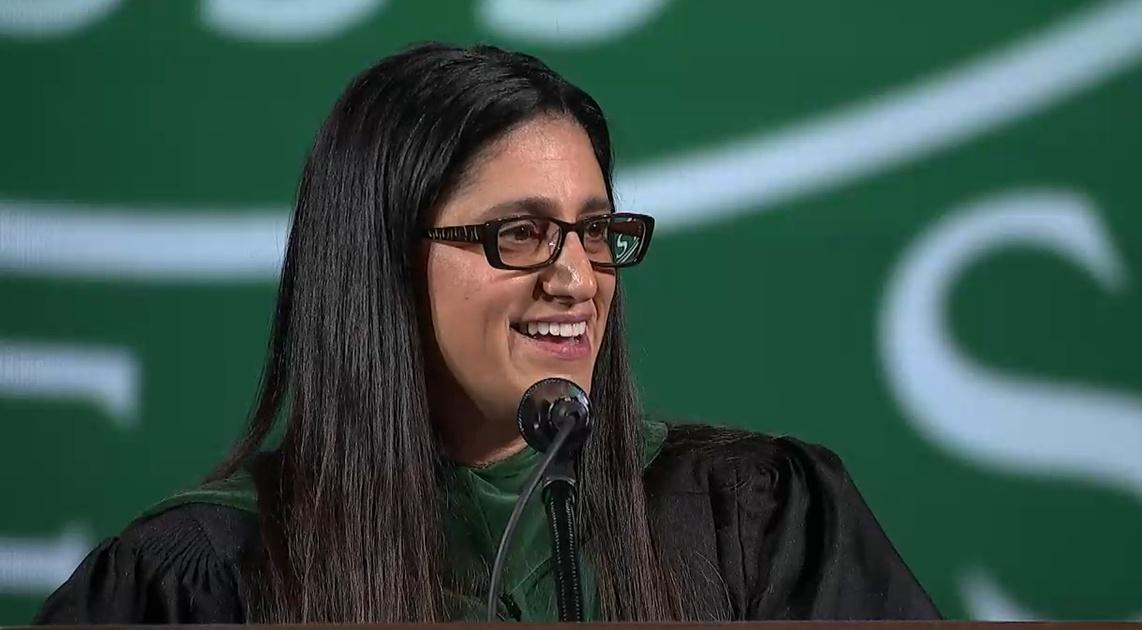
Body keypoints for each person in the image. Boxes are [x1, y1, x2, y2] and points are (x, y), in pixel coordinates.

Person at [35, 43, 940, 624]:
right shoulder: (198, 584)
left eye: (596, 230)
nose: (578, 277)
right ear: (382, 264)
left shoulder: (752, 524)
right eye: (520, 232)